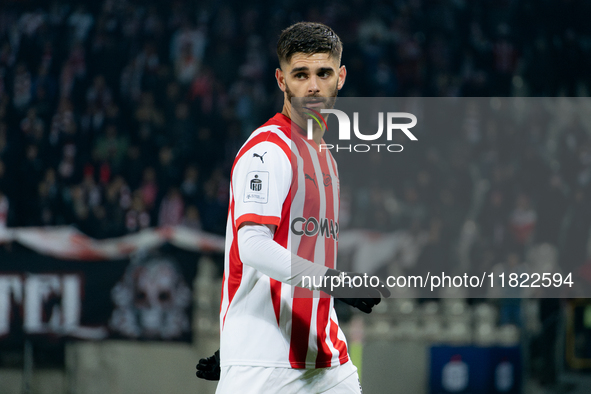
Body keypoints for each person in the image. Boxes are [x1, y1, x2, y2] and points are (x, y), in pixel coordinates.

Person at [196, 22, 389, 393]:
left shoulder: (325, 156)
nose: (313, 86)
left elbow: (301, 252)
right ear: (281, 81)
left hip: (326, 359)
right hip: (265, 363)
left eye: (323, 73)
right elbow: (252, 245)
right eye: (301, 74)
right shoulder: (269, 150)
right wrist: (244, 343)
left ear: (341, 77)